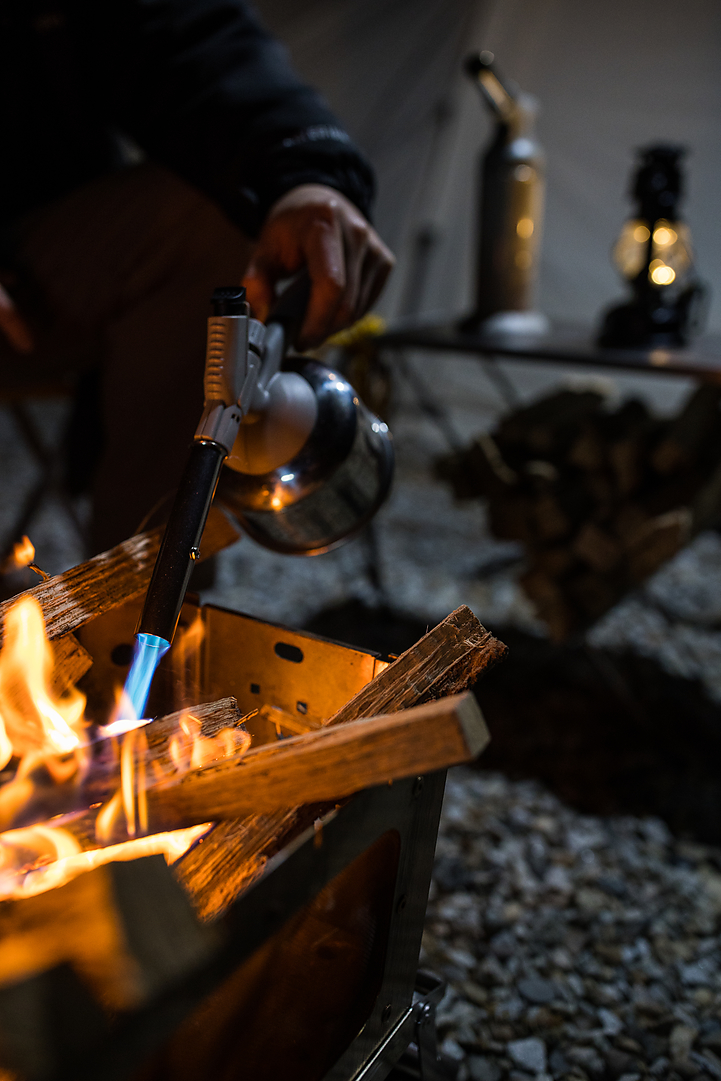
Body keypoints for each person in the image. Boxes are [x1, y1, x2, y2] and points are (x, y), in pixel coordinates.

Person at [0, 0, 394, 551]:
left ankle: (143, 613)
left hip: (35, 264)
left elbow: (191, 41)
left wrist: (307, 176)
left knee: (207, 220)